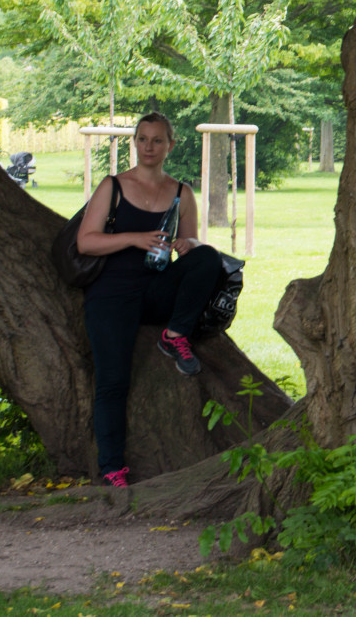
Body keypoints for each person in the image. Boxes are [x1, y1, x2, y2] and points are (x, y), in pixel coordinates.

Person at [75, 112, 225, 488]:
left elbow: (191, 244)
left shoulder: (181, 193)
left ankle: (175, 336)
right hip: (111, 295)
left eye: (158, 141)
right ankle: (112, 469)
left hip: (155, 290)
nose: (149, 147)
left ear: (170, 145)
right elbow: (85, 241)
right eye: (143, 139)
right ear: (135, 142)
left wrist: (187, 244)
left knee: (209, 258)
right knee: (113, 382)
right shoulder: (113, 186)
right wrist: (134, 238)